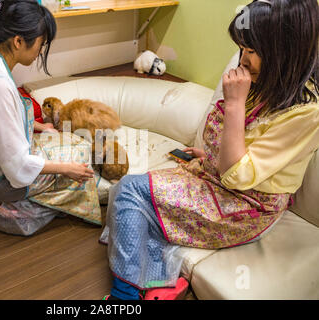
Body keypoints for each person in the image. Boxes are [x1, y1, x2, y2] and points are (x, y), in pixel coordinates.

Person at [103, 0, 319, 300]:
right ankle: (159, 283)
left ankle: (125, 297)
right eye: (241, 49)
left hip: (247, 207)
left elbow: (238, 177)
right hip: (219, 181)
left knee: (130, 191)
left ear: (284, 48)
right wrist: (210, 156)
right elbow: (245, 149)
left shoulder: (306, 112)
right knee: (134, 194)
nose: (241, 60)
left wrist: (234, 104)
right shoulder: (267, 82)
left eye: (251, 51)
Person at [0, 0, 97, 236]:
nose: (40, 52)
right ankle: (13, 209)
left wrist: (41, 127)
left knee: (59, 142)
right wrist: (66, 169)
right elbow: (18, 167)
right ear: (18, 41)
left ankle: (0, 199)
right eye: (41, 44)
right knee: (82, 156)